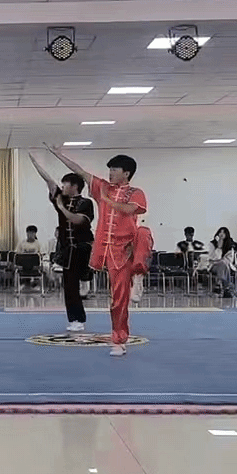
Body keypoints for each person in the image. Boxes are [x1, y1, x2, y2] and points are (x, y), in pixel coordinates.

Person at [45, 144, 151, 357]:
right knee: (117, 298)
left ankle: (138, 276)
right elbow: (80, 171)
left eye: (114, 169)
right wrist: (58, 154)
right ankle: (119, 339)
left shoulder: (135, 193)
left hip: (127, 248)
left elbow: (130, 209)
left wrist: (109, 201)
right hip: (107, 249)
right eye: (109, 169)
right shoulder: (102, 187)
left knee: (143, 233)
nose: (110, 173)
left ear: (126, 173)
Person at [29, 152, 96, 332]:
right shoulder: (62, 198)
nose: (62, 186)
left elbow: (77, 220)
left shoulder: (86, 203)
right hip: (68, 250)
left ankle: (86, 280)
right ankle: (76, 319)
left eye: (65, 184)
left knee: (82, 279)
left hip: (84, 248)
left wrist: (60, 208)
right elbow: (49, 181)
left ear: (74, 186)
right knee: (70, 285)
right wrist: (35, 162)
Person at [208, 227, 237, 298]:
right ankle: (226, 287)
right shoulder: (212, 244)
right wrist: (219, 247)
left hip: (227, 265)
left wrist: (222, 261)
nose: (221, 234)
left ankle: (219, 284)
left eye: (224, 232)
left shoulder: (230, 245)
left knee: (223, 264)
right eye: (220, 232)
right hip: (214, 265)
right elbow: (213, 258)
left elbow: (230, 259)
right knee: (223, 263)